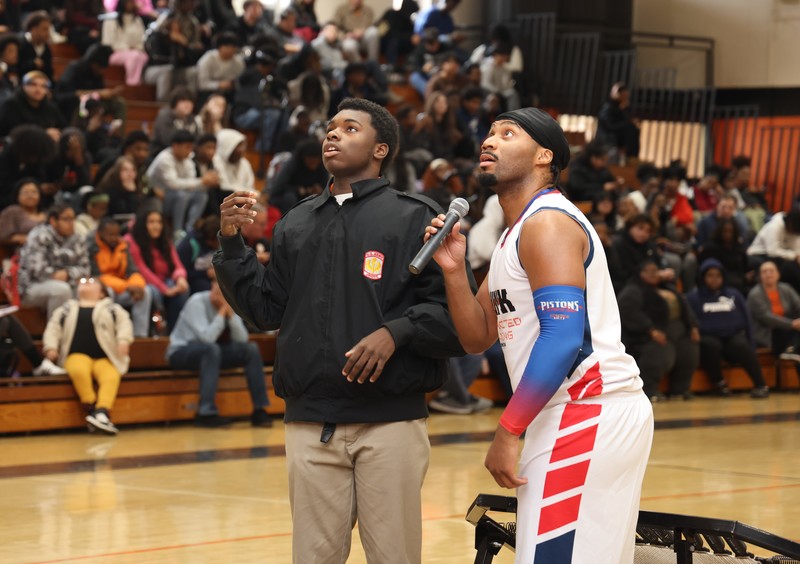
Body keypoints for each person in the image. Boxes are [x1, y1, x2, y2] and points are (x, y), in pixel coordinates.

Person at [213, 98, 465, 563]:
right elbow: (266, 309)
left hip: (389, 422)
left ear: (380, 148)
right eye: (330, 127)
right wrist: (231, 245)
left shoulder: (416, 217)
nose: (332, 135)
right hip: (310, 422)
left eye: (350, 128)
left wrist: (398, 331)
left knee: (394, 557)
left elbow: (456, 318)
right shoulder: (296, 221)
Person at [426, 106, 652, 562]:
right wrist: (453, 271)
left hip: (586, 408)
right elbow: (477, 336)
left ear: (544, 156)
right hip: (574, 410)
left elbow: (563, 337)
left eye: (508, 134)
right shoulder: (518, 231)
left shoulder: (547, 222)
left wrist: (509, 431)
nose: (490, 141)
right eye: (489, 133)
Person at [167, 279, 271, 427]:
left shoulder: (230, 303)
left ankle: (260, 410)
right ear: (212, 288)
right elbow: (207, 339)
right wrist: (222, 313)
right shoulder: (196, 301)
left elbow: (242, 338)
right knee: (211, 350)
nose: (221, 294)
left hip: (212, 353)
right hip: (181, 351)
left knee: (251, 349)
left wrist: (231, 315)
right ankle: (205, 412)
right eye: (218, 289)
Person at [42, 276, 133, 434]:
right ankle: (92, 408)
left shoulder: (112, 309)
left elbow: (125, 324)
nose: (86, 284)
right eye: (83, 282)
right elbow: (53, 328)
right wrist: (51, 346)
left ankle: (102, 410)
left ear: (102, 293)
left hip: (105, 358)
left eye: (91, 282)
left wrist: (123, 340)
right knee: (78, 371)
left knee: (111, 376)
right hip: (76, 355)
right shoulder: (66, 309)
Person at [618, 260, 700, 400]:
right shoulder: (633, 290)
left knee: (689, 349)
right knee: (659, 353)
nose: (653, 274)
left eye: (655, 271)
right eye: (648, 271)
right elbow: (629, 312)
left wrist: (693, 326)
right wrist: (650, 330)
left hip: (679, 332)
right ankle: (649, 390)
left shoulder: (669, 288)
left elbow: (685, 308)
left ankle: (680, 390)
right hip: (647, 337)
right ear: (640, 273)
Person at [686, 259, 769, 398]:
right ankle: (719, 383)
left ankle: (761, 385)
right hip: (709, 337)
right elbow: (689, 320)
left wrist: (751, 342)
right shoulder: (693, 297)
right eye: (710, 275)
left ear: (723, 277)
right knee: (710, 345)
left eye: (718, 275)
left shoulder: (734, 294)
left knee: (742, 345)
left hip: (732, 337)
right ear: (703, 277)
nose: (714, 279)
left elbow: (747, 319)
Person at [18, 204, 90, 319]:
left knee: (95, 289)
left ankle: (83, 335)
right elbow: (37, 270)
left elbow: (85, 269)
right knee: (61, 290)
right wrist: (57, 275)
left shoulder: (78, 238)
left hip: (68, 281)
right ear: (53, 221)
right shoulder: (39, 236)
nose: (71, 223)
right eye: (66, 219)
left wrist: (68, 274)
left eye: (73, 219)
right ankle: (56, 334)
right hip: (32, 286)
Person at [125, 207, 189, 332]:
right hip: (143, 282)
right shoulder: (131, 240)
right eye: (151, 222)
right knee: (153, 291)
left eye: (159, 222)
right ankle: (157, 331)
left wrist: (180, 278)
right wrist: (165, 289)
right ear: (142, 223)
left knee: (183, 290)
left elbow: (177, 265)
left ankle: (175, 332)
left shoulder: (165, 239)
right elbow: (142, 269)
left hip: (165, 280)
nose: (156, 226)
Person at [89, 217, 153, 337]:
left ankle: (140, 336)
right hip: (104, 288)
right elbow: (96, 276)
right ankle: (107, 334)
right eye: (110, 235)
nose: (114, 238)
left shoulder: (123, 245)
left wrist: (137, 286)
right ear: (101, 233)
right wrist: (126, 286)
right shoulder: (92, 247)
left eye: (116, 234)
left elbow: (133, 271)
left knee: (146, 291)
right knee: (108, 292)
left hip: (123, 289)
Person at [595, 82, 640, 164]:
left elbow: (627, 121)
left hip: (618, 140)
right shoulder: (608, 107)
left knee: (633, 128)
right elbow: (609, 126)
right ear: (616, 94)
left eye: (627, 96)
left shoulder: (623, 108)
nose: (625, 98)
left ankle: (631, 156)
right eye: (623, 96)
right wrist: (621, 111)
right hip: (608, 141)